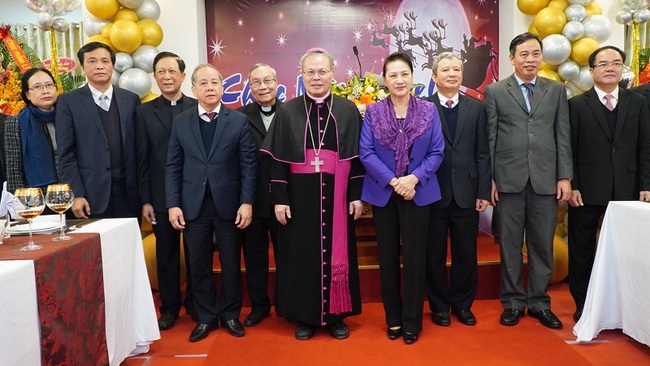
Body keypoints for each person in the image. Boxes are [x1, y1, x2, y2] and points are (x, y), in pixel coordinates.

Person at [260, 49, 364, 341]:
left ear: (332, 74)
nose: (316, 77)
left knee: (336, 253)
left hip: (337, 197)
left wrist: (355, 195)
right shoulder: (288, 110)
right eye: (310, 72)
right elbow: (278, 161)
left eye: (322, 71)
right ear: (301, 75)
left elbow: (356, 159)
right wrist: (280, 198)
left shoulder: (346, 110)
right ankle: (304, 316)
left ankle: (335, 316)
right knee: (299, 256)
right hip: (298, 198)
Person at [484, 32, 572, 329]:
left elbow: (563, 135)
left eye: (535, 53)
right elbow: (490, 138)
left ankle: (538, 302)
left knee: (542, 245)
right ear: (512, 58)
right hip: (508, 180)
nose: (530, 59)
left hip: (546, 180)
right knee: (509, 245)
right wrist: (490, 180)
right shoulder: (496, 91)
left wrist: (564, 176)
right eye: (524, 54)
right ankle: (512, 302)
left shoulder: (556, 90)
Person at [166, 64, 257, 342]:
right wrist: (173, 204)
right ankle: (205, 316)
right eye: (203, 83)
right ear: (193, 89)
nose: (209, 88)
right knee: (199, 264)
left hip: (230, 205)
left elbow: (248, 165)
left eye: (215, 82)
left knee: (231, 262)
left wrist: (246, 202)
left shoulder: (238, 120)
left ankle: (230, 314)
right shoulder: (181, 121)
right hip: (193, 206)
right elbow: (173, 165)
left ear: (222, 87)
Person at [360, 52, 444, 345]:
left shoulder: (429, 111)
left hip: (419, 193)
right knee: (387, 259)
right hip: (384, 193)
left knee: (415, 259)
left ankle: (411, 322)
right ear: (385, 80)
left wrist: (413, 179)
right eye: (392, 75)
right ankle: (393, 320)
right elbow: (366, 153)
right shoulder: (372, 112)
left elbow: (437, 152)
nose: (399, 80)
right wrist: (394, 181)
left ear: (412, 77)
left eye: (404, 74)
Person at [567, 46, 650, 322]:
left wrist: (646, 183)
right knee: (581, 250)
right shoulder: (577, 105)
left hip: (628, 189)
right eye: (603, 64)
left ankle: (625, 304)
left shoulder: (638, 102)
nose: (610, 68)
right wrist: (573, 184)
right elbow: (570, 150)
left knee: (626, 250)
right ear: (591, 71)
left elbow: (646, 147)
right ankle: (584, 304)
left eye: (616, 63)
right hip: (586, 190)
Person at [423, 52, 490, 327]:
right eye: (446, 70)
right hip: (432, 192)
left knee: (466, 253)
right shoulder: (423, 107)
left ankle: (462, 305)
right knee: (433, 253)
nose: (452, 74)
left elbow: (484, 153)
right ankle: (439, 306)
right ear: (434, 76)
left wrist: (483, 192)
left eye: (456, 70)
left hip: (467, 192)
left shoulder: (477, 107)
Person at [135, 51, 197, 330]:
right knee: (167, 254)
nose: (167, 77)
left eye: (173, 71)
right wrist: (146, 199)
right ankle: (170, 308)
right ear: (155, 76)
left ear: (183, 76)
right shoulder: (144, 112)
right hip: (161, 196)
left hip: (197, 193)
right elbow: (142, 158)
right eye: (161, 72)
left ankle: (196, 303)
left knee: (198, 253)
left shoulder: (199, 107)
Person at [56, 42, 140, 219]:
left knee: (127, 245)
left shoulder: (131, 100)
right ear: (83, 66)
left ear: (112, 65)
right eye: (92, 61)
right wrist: (76, 194)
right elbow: (66, 154)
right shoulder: (68, 102)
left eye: (105, 61)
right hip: (90, 195)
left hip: (129, 195)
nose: (99, 66)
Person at [236, 63, 281, 327]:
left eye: (267, 81)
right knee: (254, 256)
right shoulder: (239, 117)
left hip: (285, 200)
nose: (263, 87)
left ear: (277, 83)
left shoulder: (293, 113)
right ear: (250, 86)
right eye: (256, 82)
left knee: (288, 256)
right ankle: (259, 306)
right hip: (251, 200)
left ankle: (287, 304)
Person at [1, 68, 59, 193]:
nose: (45, 91)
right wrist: (19, 203)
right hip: (35, 196)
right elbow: (14, 170)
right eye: (37, 87)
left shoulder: (68, 116)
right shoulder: (16, 123)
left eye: (49, 85)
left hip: (71, 192)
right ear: (27, 94)